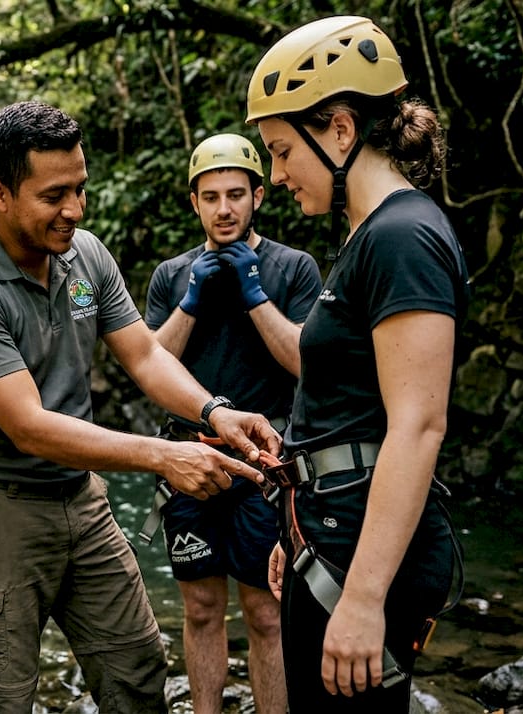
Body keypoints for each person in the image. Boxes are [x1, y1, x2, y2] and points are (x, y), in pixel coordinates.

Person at [0, 100, 282, 713]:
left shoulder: (84, 255)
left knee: (138, 670)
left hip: (82, 500)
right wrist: (164, 457)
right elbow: (29, 427)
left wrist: (213, 412)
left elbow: (144, 356)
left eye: (81, 189)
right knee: (3, 698)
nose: (75, 210)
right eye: (54, 195)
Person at [245, 15, 468, 712]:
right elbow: (348, 410)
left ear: (340, 130)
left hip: (363, 564)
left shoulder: (402, 237)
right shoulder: (371, 236)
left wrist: (365, 596)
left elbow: (417, 428)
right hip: (332, 537)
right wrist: (299, 527)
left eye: (282, 151)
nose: (275, 176)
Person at [144, 132, 321, 714]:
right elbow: (148, 362)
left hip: (264, 466)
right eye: (211, 196)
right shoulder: (172, 275)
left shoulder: (293, 267)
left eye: (236, 195)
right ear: (193, 202)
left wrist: (252, 293)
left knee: (266, 611)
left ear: (259, 197)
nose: (225, 209)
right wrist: (191, 298)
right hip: (189, 459)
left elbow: (304, 362)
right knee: (198, 609)